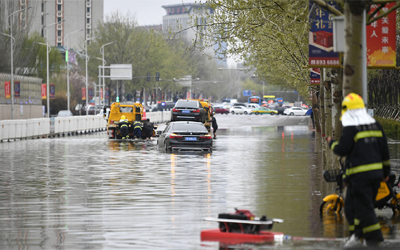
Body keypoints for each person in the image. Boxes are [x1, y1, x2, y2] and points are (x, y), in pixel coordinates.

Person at [327, 93, 390, 247]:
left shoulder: (351, 127)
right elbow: (385, 151)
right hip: (375, 176)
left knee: (363, 209)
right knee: (354, 207)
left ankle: (374, 240)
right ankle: (357, 236)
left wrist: (331, 143)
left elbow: (343, 149)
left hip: (360, 177)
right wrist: (386, 173)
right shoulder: (376, 124)